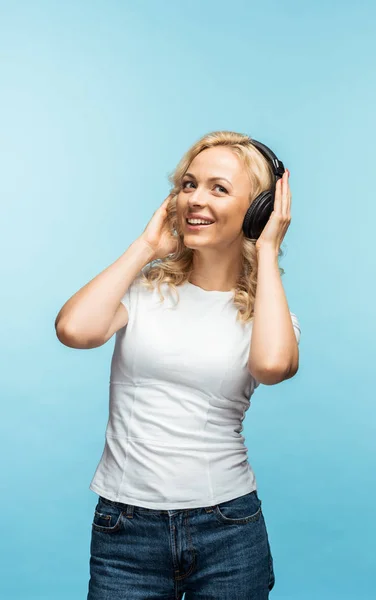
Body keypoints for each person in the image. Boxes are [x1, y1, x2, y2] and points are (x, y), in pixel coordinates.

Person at [55, 130, 301, 599]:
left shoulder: (269, 315)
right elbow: (74, 331)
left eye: (219, 188)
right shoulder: (143, 292)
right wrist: (146, 247)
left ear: (258, 211)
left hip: (228, 527)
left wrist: (266, 249)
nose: (195, 199)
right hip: (125, 528)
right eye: (188, 184)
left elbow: (272, 366)